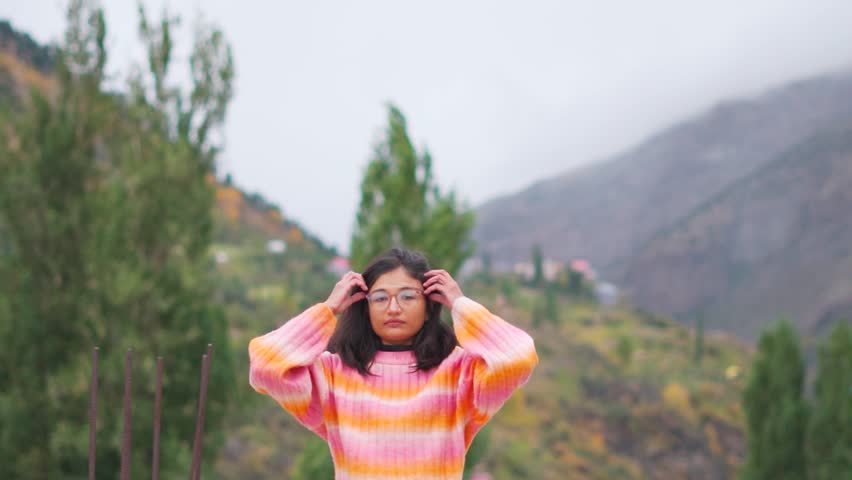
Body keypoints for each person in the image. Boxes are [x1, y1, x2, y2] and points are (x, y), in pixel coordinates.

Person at [248, 248, 538, 480]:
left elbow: (518, 357)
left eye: (409, 296)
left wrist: (460, 304)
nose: (394, 308)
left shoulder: (459, 373)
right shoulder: (333, 375)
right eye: (380, 298)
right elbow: (265, 366)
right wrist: (327, 309)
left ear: (429, 308)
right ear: (365, 307)